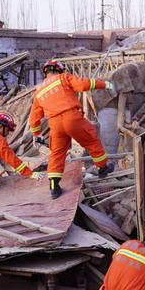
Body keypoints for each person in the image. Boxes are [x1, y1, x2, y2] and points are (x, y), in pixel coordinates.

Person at [29, 59, 115, 199]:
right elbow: (83, 85)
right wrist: (104, 84)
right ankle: (102, 168)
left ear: (46, 72)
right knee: (91, 140)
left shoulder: (38, 91)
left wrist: (36, 134)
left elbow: (34, 117)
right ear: (58, 69)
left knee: (57, 154)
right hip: (72, 117)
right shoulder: (63, 77)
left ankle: (54, 188)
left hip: (55, 125)